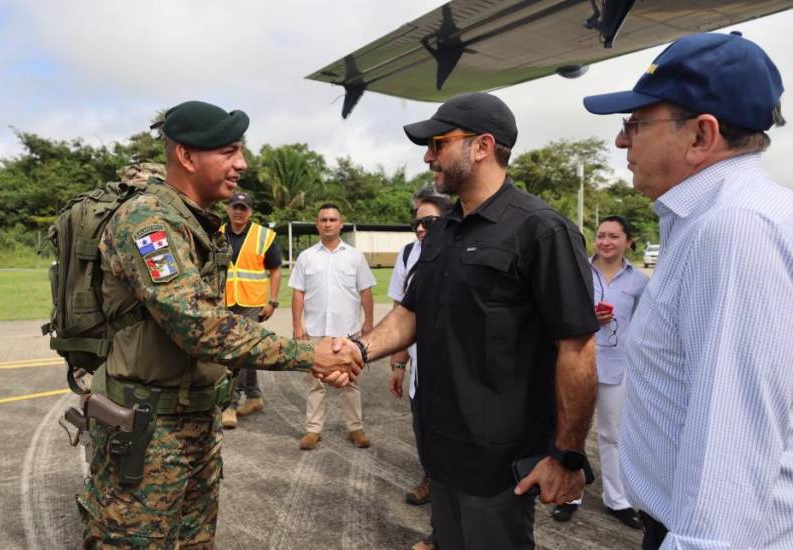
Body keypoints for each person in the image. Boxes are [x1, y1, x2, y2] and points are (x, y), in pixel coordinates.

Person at [76, 100, 360, 548]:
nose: (241, 164)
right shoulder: (148, 221)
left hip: (193, 421)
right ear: (187, 156)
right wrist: (311, 354)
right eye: (228, 152)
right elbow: (199, 325)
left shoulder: (197, 222)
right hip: (148, 431)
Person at [338, 92, 600, 550]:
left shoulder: (542, 230)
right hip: (441, 450)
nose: (427, 155)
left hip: (499, 463)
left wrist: (567, 456)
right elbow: (409, 312)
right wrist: (360, 350)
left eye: (438, 143)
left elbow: (577, 351)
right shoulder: (442, 230)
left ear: (482, 146)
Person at [583, 32, 792, 549]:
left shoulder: (732, 229)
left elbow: (733, 438)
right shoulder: (708, 219)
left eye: (634, 124)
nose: (621, 142)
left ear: (701, 136)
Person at [551, 215, 647, 529]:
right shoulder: (579, 272)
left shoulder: (638, 281)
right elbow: (558, 312)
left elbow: (645, 325)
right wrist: (587, 318)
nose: (605, 242)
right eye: (601, 236)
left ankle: (617, 499)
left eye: (614, 237)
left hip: (618, 366)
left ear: (628, 241)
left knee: (613, 435)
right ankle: (569, 494)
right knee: (571, 430)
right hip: (577, 363)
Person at [387, 192, 453, 550]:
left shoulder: (463, 252)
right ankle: (438, 521)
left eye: (429, 221)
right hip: (422, 373)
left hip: (459, 378)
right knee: (428, 445)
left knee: (456, 458)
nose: (421, 229)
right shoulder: (409, 254)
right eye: (417, 222)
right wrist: (398, 363)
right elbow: (401, 311)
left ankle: (442, 535)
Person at [290, 203, 376, 451]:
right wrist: (297, 327)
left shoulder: (355, 256)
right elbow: (298, 294)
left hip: (347, 332)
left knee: (351, 381)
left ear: (341, 223)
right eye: (323, 219)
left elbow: (366, 292)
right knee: (314, 382)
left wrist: (368, 324)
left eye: (332, 219)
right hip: (315, 331)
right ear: (317, 224)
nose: (328, 223)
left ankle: (355, 428)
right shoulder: (306, 257)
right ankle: (313, 430)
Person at [220, 190, 283, 429]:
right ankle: (254, 395)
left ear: (250, 211)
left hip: (251, 303)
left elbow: (275, 270)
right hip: (224, 302)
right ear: (228, 208)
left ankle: (230, 405)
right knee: (246, 352)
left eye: (243, 208)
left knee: (238, 351)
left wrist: (273, 301)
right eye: (235, 206)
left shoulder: (263, 236)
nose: (238, 211)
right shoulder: (216, 233)